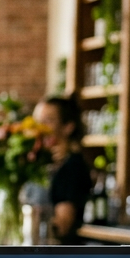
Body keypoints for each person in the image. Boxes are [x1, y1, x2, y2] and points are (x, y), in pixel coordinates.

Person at [34, 95, 91, 244]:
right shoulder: (35, 162)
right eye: (37, 120)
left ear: (68, 127)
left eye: (48, 120)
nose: (39, 127)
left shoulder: (73, 167)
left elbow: (62, 226)